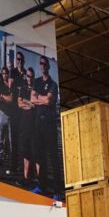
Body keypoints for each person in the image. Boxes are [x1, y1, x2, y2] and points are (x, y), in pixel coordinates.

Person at [31, 56, 60, 194]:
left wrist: (40, 98)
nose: (42, 66)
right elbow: (32, 99)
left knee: (53, 157)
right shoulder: (36, 82)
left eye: (44, 64)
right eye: (40, 63)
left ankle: (57, 191)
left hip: (49, 124)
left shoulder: (53, 84)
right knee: (40, 156)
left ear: (48, 66)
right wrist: (43, 98)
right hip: (38, 124)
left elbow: (49, 102)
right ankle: (41, 186)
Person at [0, 65, 13, 171]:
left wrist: (2, 97)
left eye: (6, 73)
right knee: (0, 138)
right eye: (3, 73)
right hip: (2, 114)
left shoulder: (11, 85)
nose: (5, 75)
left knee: (10, 140)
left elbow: (12, 99)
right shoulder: (0, 84)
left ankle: (9, 159)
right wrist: (6, 98)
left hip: (11, 115)